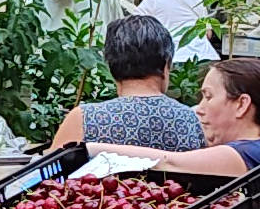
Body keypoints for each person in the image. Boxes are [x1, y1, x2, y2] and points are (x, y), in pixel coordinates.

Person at [87, 57, 260, 209]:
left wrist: (90, 149)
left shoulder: (247, 153)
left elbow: (169, 163)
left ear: (241, 104)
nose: (199, 109)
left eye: (209, 97)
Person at [50, 15, 205, 151]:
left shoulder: (83, 118)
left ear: (111, 67)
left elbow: (48, 179)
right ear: (166, 65)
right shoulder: (191, 120)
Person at [131, 0, 217, 64]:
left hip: (175, 60)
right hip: (207, 57)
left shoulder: (148, 4)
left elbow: (137, 39)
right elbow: (208, 33)